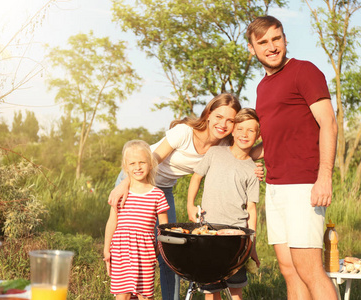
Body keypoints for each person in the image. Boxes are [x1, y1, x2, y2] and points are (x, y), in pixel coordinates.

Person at [109, 93, 261, 300]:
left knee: (169, 248)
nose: (223, 124)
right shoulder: (184, 133)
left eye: (230, 120)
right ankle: (126, 291)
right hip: (137, 178)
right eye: (218, 117)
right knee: (130, 243)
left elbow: (245, 153)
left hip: (163, 190)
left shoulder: (222, 146)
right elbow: (153, 159)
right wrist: (126, 182)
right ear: (208, 114)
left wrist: (255, 168)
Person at [246, 16, 338, 300]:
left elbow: (329, 124)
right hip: (274, 188)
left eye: (276, 38)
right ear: (252, 49)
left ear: (285, 39)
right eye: (263, 42)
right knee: (289, 270)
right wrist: (249, 155)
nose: (271, 47)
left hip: (303, 186)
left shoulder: (304, 71)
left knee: (309, 270)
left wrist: (324, 178)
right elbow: (274, 138)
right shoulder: (262, 87)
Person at [187, 108, 261, 300]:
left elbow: (251, 209)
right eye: (241, 129)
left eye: (251, 131)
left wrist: (251, 244)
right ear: (233, 131)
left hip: (236, 237)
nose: (244, 134)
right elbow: (196, 178)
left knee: (235, 290)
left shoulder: (252, 170)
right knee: (211, 290)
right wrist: (190, 204)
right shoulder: (215, 153)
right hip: (208, 231)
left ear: (258, 135)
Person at [104, 140, 170, 300]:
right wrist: (107, 249)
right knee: (123, 294)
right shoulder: (120, 193)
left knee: (144, 294)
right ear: (126, 167)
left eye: (142, 162)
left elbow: (164, 226)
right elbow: (111, 222)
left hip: (145, 251)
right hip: (121, 249)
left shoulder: (157, 194)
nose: (137, 167)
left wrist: (159, 247)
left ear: (151, 164)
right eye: (132, 163)